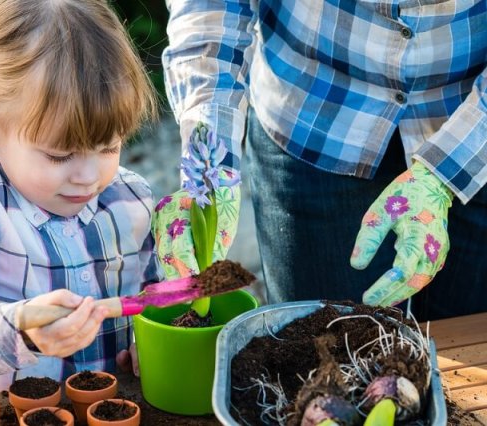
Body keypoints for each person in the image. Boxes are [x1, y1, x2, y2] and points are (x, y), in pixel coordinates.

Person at [156, 0, 487, 321]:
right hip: (312, 114)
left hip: (473, 124)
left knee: (465, 349)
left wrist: (445, 175)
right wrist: (208, 154)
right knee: (317, 352)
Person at [0, 0, 158, 403]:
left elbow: (151, 301)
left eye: (109, 147)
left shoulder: (130, 198)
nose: (88, 176)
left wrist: (151, 341)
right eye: (59, 155)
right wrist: (20, 329)